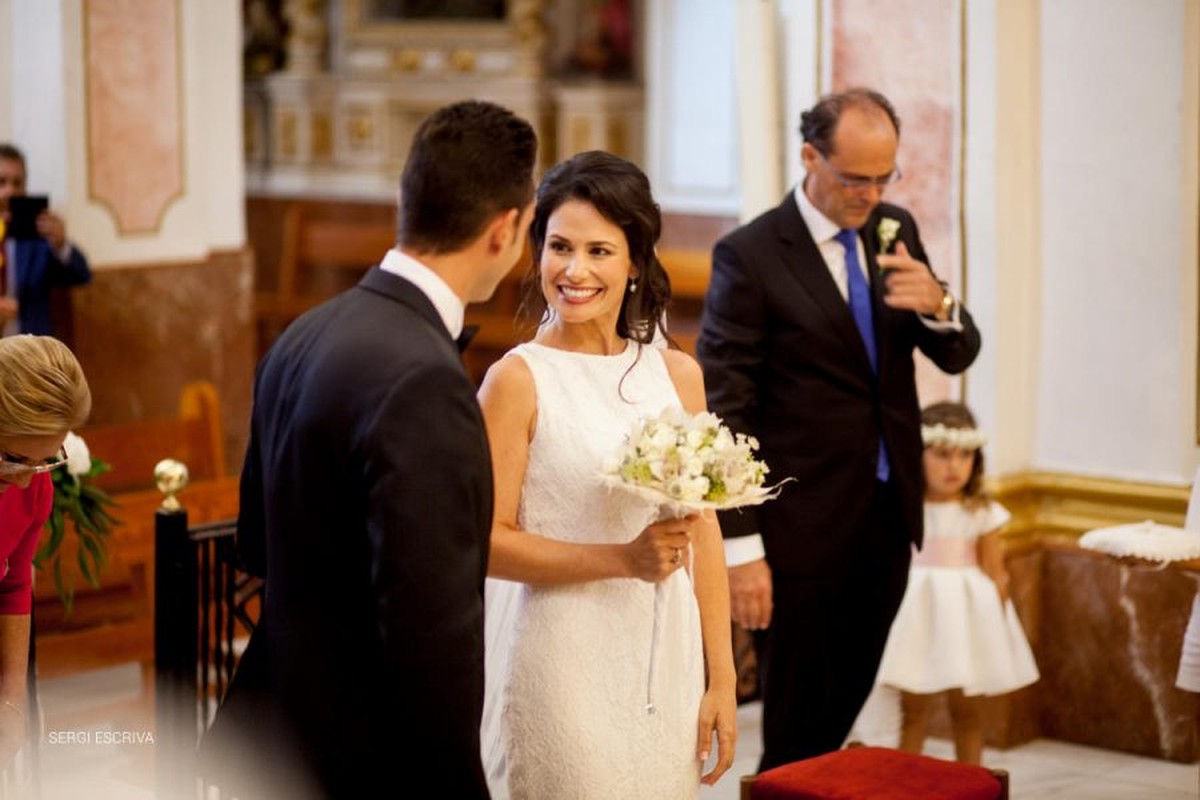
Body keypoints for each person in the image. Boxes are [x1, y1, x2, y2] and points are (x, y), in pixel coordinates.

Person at [197, 100, 538, 799]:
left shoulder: (302, 333)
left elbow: (258, 544)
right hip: (367, 756)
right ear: (505, 229)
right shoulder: (424, 378)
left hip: (276, 729)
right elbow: (432, 628)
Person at [696, 86, 982, 768]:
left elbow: (956, 350)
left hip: (885, 517)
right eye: (856, 178)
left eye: (885, 178)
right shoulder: (751, 255)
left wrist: (941, 304)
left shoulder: (895, 229)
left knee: (842, 704)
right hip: (796, 529)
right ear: (810, 156)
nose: (871, 194)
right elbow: (722, 406)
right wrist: (741, 549)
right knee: (796, 723)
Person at [478, 150, 737, 799]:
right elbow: (487, 542)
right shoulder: (516, 381)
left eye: (599, 251)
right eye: (559, 246)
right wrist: (625, 559)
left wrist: (722, 677)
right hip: (559, 656)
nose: (574, 270)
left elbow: (703, 531)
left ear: (635, 262)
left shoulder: (677, 374)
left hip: (664, 660)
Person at [875, 402, 1038, 764]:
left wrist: (993, 630)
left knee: (967, 713)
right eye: (942, 455)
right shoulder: (906, 507)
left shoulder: (980, 511)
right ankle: (902, 785)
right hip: (915, 616)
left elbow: (996, 572)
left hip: (967, 619)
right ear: (918, 453)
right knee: (913, 712)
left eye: (965, 456)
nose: (954, 466)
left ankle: (970, 784)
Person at [0, 335, 91, 766]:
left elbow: (14, 586)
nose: (25, 479)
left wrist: (12, 701)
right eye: (12, 458)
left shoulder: (34, 488)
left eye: (44, 461)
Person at [0, 144, 92, 337]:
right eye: (1, 182)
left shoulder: (38, 238)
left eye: (18, 183)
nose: (10, 191)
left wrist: (61, 245)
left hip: (31, 352)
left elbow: (81, 274)